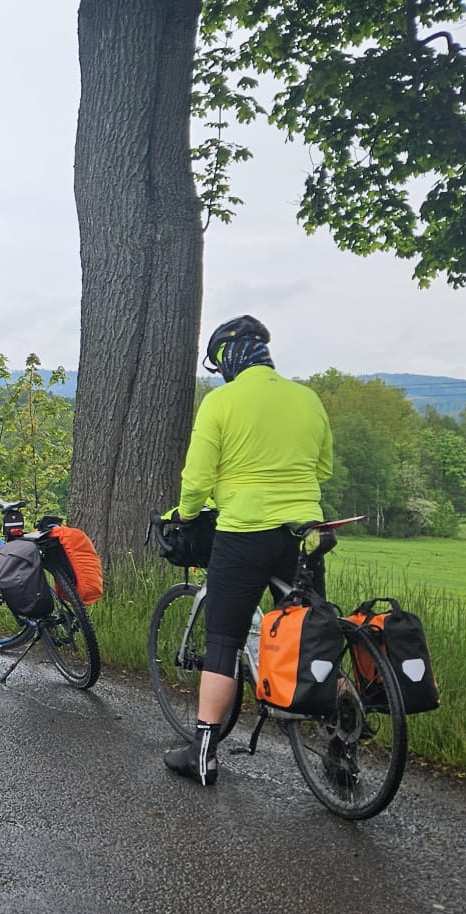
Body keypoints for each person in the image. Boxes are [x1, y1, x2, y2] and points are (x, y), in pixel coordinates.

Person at [164, 315, 334, 785]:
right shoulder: (308, 398)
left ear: (227, 361)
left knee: (223, 641)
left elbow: (197, 478)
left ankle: (203, 755)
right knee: (312, 634)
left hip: (244, 533)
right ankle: (341, 745)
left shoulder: (221, 402)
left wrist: (186, 515)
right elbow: (323, 468)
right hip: (304, 534)